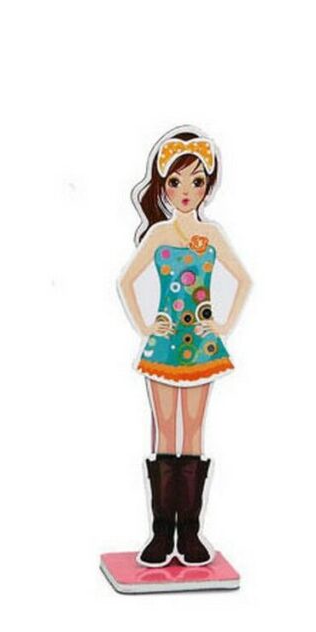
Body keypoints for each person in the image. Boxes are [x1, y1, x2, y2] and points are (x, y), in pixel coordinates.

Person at [118, 128, 252, 566]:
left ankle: (189, 533)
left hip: (201, 348)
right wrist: (146, 326)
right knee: (164, 430)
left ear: (208, 186)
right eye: (176, 182)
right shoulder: (158, 234)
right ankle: (161, 534)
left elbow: (244, 279)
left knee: (193, 430)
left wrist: (224, 324)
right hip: (164, 346)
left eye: (196, 181)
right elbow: (125, 281)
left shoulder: (211, 233)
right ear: (164, 186)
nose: (186, 191)